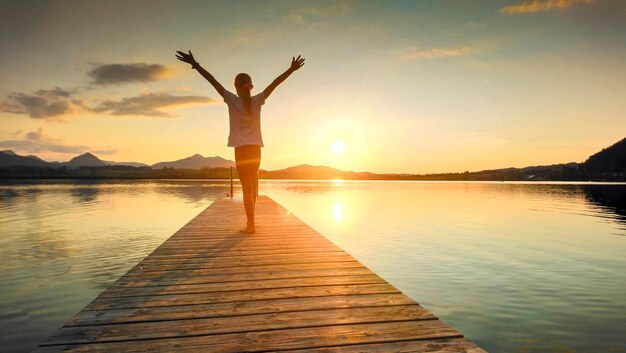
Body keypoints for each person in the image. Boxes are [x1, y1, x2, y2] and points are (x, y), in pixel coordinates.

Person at [175, 50, 305, 233]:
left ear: (236, 87)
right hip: (256, 150)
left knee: (246, 188)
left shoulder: (232, 100)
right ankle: (252, 221)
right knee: (254, 183)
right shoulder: (258, 100)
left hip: (241, 150)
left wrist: (195, 64)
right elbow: (275, 83)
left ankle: (250, 224)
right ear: (250, 87)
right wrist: (291, 69)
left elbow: (212, 81)